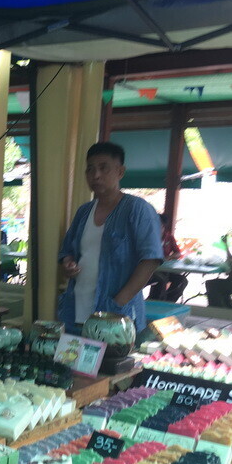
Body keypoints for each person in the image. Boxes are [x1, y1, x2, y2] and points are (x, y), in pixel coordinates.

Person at [58, 142, 163, 333]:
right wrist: (68, 263)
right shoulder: (84, 212)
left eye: (103, 168)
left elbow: (150, 260)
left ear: (120, 172)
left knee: (110, 363)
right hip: (76, 311)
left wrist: (117, 303)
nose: (95, 175)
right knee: (71, 361)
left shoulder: (137, 209)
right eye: (90, 169)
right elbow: (68, 251)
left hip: (116, 317)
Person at [148, 214, 188, 302]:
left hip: (164, 268)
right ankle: (154, 302)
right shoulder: (147, 237)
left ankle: (168, 302)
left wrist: (169, 257)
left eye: (160, 225)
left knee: (182, 281)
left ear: (164, 226)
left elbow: (178, 253)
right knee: (161, 279)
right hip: (149, 270)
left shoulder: (169, 237)